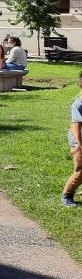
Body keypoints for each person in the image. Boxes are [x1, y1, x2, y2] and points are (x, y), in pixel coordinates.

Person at [62, 71, 82, 207]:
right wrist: (79, 146)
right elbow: (75, 125)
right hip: (79, 142)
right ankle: (67, 195)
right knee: (80, 171)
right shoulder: (78, 104)